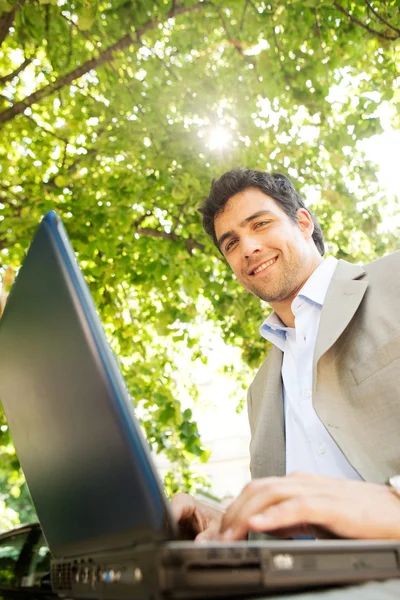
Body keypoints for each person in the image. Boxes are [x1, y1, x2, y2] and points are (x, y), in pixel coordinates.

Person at [171, 168, 400, 542]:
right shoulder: (259, 393)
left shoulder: (395, 279)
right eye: (231, 243)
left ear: (304, 222)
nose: (248, 247)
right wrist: (231, 525)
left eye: (260, 224)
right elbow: (288, 527)